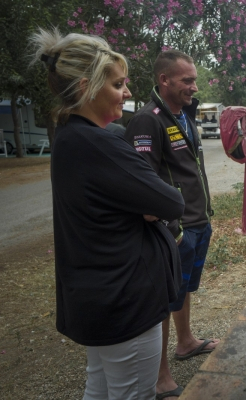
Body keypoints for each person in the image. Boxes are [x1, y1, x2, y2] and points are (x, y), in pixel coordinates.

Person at [30, 28, 185, 399]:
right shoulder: (98, 144)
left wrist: (139, 205)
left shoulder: (69, 136)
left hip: (97, 294)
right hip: (124, 301)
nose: (128, 93)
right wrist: (145, 207)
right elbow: (172, 203)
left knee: (99, 390)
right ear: (86, 87)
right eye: (118, 85)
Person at [124, 50, 219, 400]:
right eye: (187, 81)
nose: (194, 86)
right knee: (165, 297)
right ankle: (161, 375)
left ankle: (185, 342)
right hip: (174, 231)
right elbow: (140, 182)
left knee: (183, 290)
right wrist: (172, 228)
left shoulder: (182, 115)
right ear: (165, 80)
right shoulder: (148, 121)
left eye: (194, 79)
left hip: (197, 223)